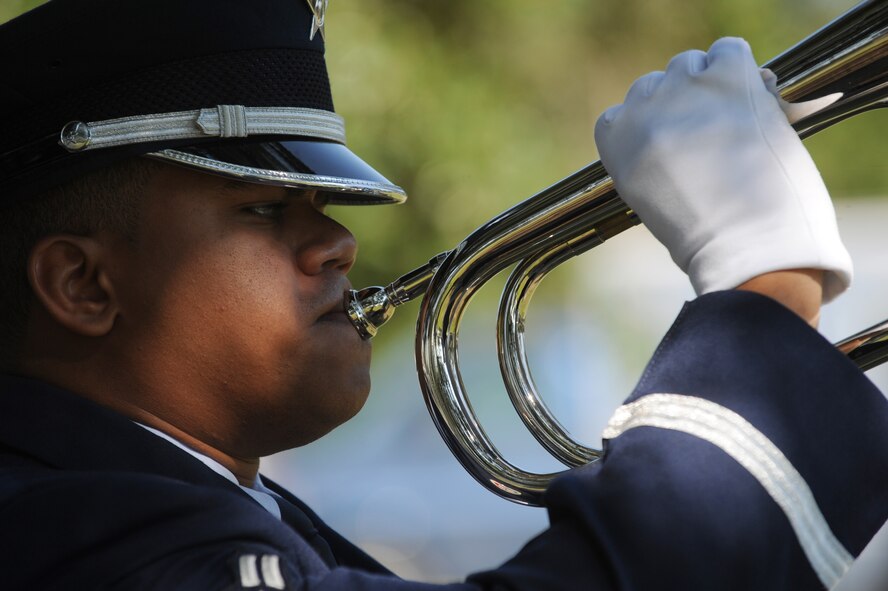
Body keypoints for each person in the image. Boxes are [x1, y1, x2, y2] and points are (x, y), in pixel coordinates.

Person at [0, 1, 885, 589]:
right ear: (83, 284)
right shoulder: (69, 530)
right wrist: (762, 282)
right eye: (265, 206)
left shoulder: (195, 502)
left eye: (325, 205)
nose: (338, 242)